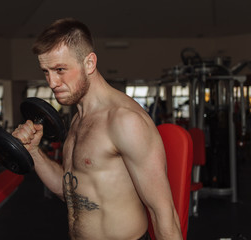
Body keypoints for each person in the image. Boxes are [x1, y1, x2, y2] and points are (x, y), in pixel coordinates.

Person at [12, 18, 182, 240]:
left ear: (89, 63)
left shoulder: (124, 121)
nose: (52, 82)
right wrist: (34, 152)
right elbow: (71, 192)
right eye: (46, 71)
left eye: (60, 69)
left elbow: (163, 214)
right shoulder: (78, 119)